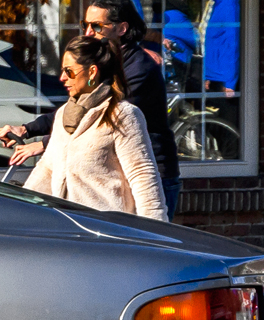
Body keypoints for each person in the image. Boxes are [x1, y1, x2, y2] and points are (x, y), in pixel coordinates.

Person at [6, 0, 180, 215]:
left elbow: (98, 115)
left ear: (122, 28)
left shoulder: (139, 69)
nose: (88, 32)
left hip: (152, 174)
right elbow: (77, 110)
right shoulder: (105, 61)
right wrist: (27, 129)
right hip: (114, 173)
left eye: (97, 26)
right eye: (85, 25)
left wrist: (45, 143)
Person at [26, 36, 168, 219]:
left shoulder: (122, 115)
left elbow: (142, 175)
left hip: (108, 230)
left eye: (69, 71)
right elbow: (46, 170)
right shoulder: (63, 115)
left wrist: (155, 232)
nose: (62, 78)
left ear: (92, 72)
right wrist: (16, 213)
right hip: (68, 229)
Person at [199, 0, 242, 95]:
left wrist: (230, 82)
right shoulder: (213, 2)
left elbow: (233, 43)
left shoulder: (229, 4)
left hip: (224, 78)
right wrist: (206, 74)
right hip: (213, 76)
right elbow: (208, 41)